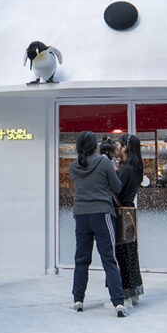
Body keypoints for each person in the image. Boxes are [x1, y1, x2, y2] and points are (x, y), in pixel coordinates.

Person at [69, 130, 127, 317]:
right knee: (109, 259)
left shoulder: (73, 167)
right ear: (95, 146)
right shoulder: (103, 162)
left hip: (81, 215)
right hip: (102, 214)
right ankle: (118, 302)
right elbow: (117, 187)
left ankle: (78, 300)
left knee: (81, 259)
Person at [114, 133, 145, 305]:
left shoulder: (125, 170)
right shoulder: (135, 169)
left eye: (119, 145)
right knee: (130, 252)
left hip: (119, 214)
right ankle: (133, 292)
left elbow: (115, 191)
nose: (117, 148)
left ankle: (124, 294)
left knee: (121, 253)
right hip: (129, 213)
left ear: (125, 148)